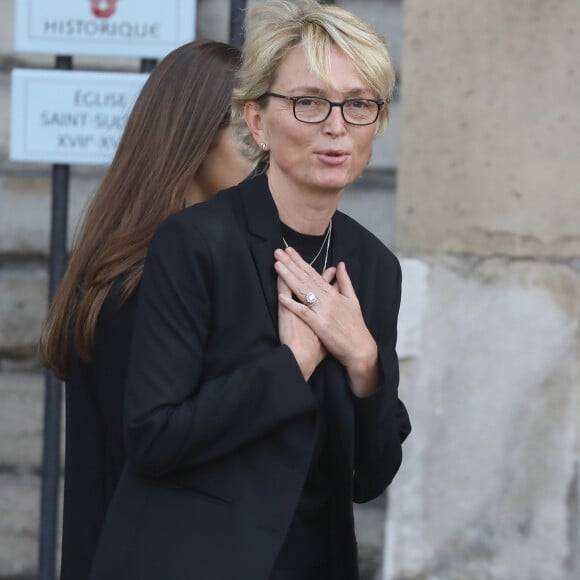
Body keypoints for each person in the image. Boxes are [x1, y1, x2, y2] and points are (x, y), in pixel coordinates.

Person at [89, 1, 411, 579]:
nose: (336, 126)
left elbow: (369, 476)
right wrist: (291, 366)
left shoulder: (375, 266)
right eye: (309, 102)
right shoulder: (195, 242)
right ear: (257, 122)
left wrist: (364, 362)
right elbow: (153, 436)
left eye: (359, 104)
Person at [39, 40, 253, 580]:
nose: (268, 149)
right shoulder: (152, 276)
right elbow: (170, 451)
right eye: (248, 132)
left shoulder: (143, 263)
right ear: (193, 138)